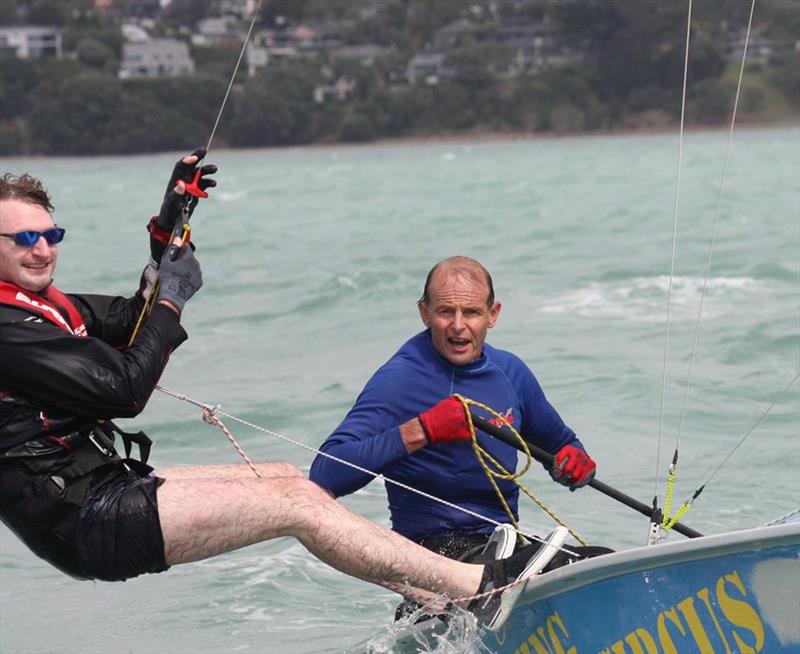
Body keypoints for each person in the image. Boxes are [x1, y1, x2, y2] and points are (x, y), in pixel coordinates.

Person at [0, 156, 560, 633]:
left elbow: (129, 319)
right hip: (80, 518)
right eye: (24, 238)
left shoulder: (45, 304)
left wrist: (167, 233)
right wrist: (171, 300)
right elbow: (123, 388)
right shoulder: (7, 327)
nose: (42, 249)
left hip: (100, 486)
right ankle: (479, 586)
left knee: (290, 481)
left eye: (51, 235)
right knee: (296, 506)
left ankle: (440, 596)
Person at [309, 256, 598, 561]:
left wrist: (575, 465)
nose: (458, 326)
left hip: (501, 544)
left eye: (471, 312)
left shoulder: (510, 373)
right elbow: (324, 475)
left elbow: (562, 445)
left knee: (596, 560)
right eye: (446, 312)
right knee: (537, 562)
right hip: (429, 554)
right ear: (425, 313)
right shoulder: (400, 379)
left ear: (493, 314)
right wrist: (421, 430)